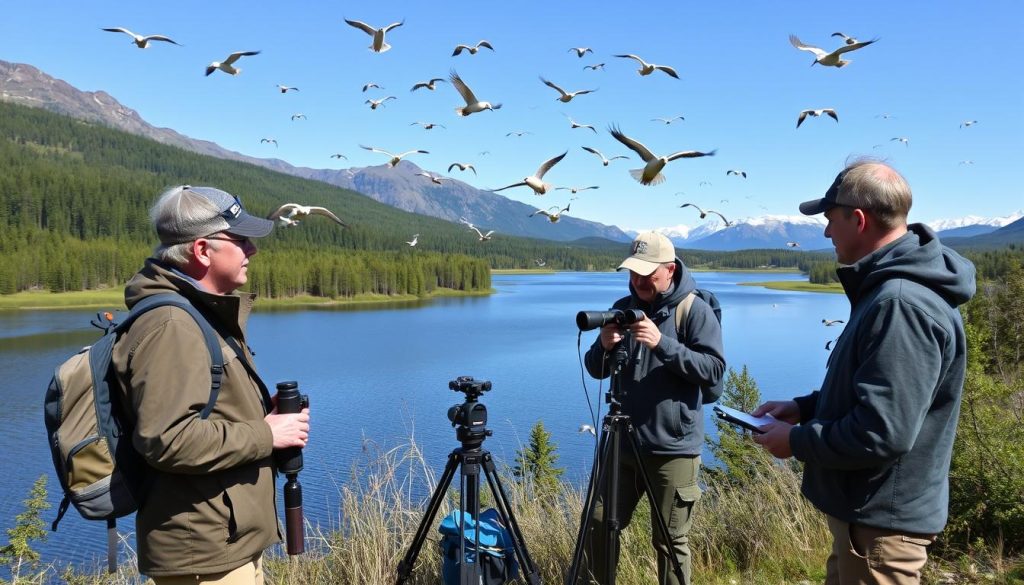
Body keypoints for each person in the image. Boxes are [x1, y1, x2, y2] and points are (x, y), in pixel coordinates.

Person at [752, 159, 976, 584]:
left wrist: (796, 441)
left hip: (880, 527)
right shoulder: (891, 291)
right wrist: (803, 407)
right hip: (868, 521)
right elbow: (877, 392)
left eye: (829, 219)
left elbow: (881, 430)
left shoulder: (900, 304)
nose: (825, 231)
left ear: (857, 219)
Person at [112, 185, 311, 583]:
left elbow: (202, 409)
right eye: (241, 241)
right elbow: (166, 439)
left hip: (222, 544)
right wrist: (265, 434)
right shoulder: (172, 326)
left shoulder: (198, 314)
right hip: (202, 557)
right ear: (203, 250)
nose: (252, 251)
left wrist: (258, 412)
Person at [583, 231, 725, 585]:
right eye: (633, 273)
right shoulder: (623, 306)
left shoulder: (694, 310)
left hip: (672, 449)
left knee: (669, 541)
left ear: (670, 270)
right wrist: (603, 346)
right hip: (622, 447)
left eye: (647, 274)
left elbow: (714, 370)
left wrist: (662, 343)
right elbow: (595, 369)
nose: (638, 281)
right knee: (599, 524)